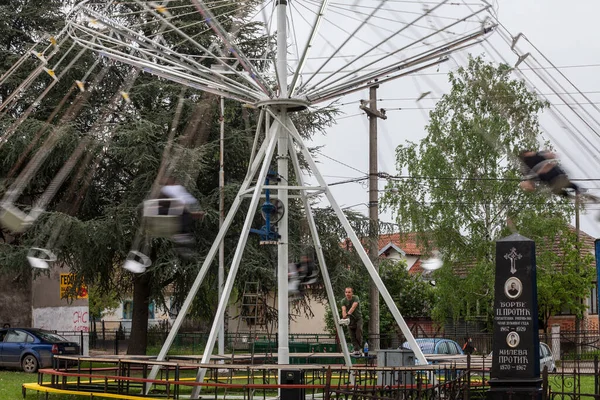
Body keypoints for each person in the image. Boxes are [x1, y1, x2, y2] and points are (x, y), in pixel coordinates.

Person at [159, 176, 204, 257]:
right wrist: (197, 210)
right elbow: (188, 199)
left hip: (162, 212)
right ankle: (182, 236)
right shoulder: (175, 188)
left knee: (184, 214)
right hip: (170, 212)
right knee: (185, 214)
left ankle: (181, 240)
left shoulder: (164, 189)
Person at [340, 287, 363, 356]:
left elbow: (353, 307)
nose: (347, 294)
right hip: (350, 320)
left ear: (352, 293)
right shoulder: (343, 301)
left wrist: (348, 314)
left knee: (358, 332)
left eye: (349, 292)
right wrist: (344, 317)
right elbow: (343, 310)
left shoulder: (356, 298)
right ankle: (356, 350)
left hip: (358, 318)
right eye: (346, 292)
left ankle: (360, 348)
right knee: (352, 335)